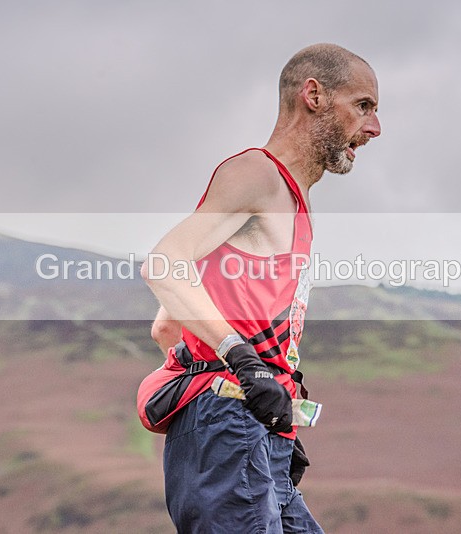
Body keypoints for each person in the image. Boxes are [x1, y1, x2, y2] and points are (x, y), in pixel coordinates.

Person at [140, 43, 381, 533]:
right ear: (312, 95)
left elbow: (167, 325)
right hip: (230, 420)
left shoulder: (294, 197)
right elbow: (164, 264)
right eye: (363, 106)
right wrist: (243, 364)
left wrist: (273, 401)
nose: (374, 128)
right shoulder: (257, 175)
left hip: (253, 424)